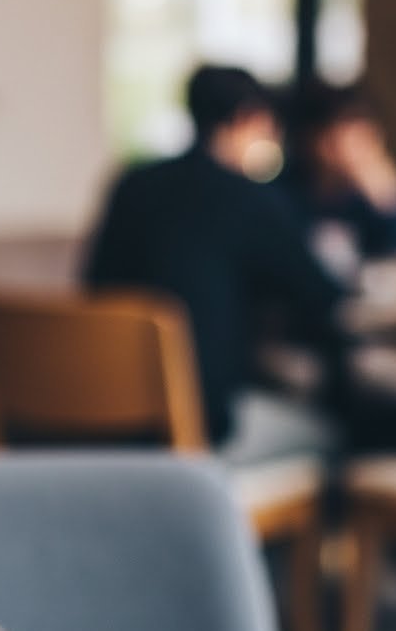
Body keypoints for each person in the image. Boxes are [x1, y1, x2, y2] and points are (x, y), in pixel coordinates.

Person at [83, 65, 345, 443]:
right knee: (331, 436)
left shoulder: (131, 185)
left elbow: (94, 287)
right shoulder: (250, 198)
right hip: (203, 429)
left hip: (108, 417)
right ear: (248, 119)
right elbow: (321, 296)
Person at [282, 78, 396, 275]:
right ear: (316, 140)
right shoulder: (288, 195)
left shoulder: (375, 193)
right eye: (351, 135)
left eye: (368, 136)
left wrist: (390, 201)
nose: (362, 148)